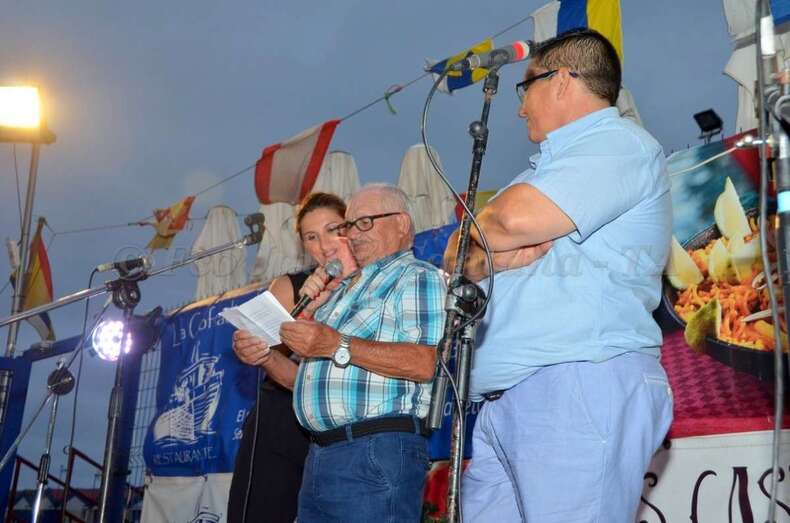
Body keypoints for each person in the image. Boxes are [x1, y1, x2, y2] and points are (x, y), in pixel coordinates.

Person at [444, 29, 674, 522]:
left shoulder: (619, 144)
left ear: (563, 80)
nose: (520, 106)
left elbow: (509, 222)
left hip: (577, 384)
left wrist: (488, 237)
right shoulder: (534, 176)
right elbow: (455, 253)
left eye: (525, 87)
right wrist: (484, 247)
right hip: (506, 404)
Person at [278, 184, 446, 522]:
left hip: (375, 452)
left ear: (401, 223)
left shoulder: (415, 276)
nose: (353, 234)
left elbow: (424, 362)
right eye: (349, 225)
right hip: (321, 454)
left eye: (365, 222)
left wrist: (336, 344)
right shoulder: (344, 290)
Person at [228, 192, 356, 523]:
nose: (324, 244)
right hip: (284, 417)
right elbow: (266, 350)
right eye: (311, 237)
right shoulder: (293, 286)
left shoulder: (371, 286)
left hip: (343, 422)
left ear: (351, 228)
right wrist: (250, 347)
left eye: (332, 229)